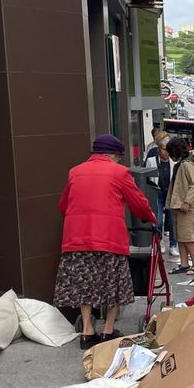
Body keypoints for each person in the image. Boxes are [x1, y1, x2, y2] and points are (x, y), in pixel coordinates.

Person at [55, 134, 156, 349]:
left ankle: (87, 332)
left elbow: (63, 206)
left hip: (77, 240)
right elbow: (137, 202)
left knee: (85, 284)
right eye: (119, 157)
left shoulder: (75, 171)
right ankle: (108, 331)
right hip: (108, 239)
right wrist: (151, 218)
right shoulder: (119, 172)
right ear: (114, 155)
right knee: (113, 285)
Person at [166, 137, 194, 275]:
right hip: (178, 206)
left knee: (188, 237)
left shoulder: (187, 164)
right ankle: (185, 264)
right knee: (181, 236)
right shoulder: (181, 164)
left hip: (186, 207)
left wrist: (187, 201)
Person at [145, 132, 179, 259]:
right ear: (158, 149)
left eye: (168, 150)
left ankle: (173, 245)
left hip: (171, 192)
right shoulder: (151, 160)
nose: (166, 152)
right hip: (157, 191)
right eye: (164, 149)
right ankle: (159, 242)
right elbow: (146, 177)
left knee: (172, 220)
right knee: (158, 220)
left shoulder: (175, 162)